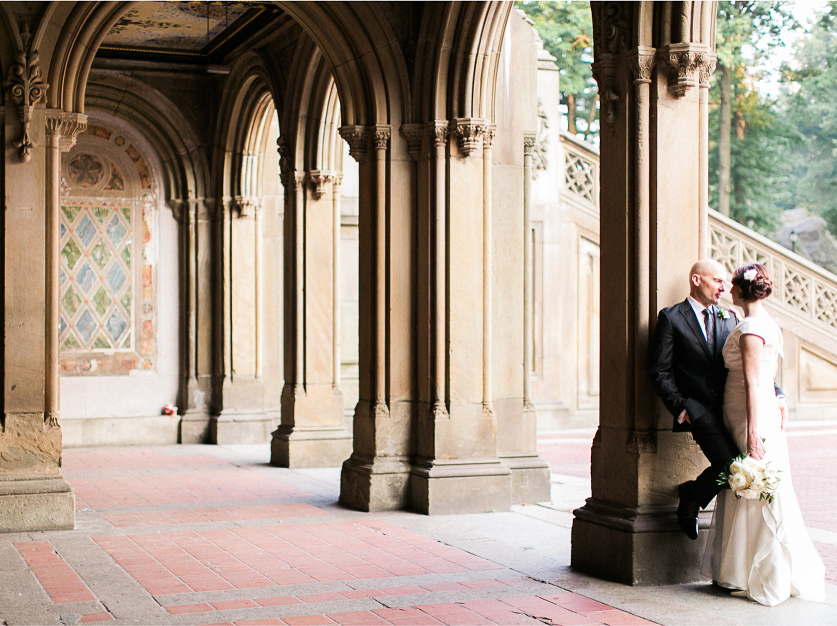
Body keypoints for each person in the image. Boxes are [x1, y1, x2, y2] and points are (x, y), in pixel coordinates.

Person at [702, 264, 824, 606]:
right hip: (750, 410)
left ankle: (756, 571)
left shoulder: (752, 328)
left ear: (741, 291)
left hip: (749, 415)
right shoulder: (766, 323)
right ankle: (739, 568)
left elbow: (756, 382)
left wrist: (754, 430)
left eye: (732, 285)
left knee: (753, 479)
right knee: (750, 481)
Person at [648, 259, 786, 540]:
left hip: (733, 408)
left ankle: (694, 495)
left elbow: (752, 364)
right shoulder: (672, 318)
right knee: (732, 466)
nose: (724, 287)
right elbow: (658, 371)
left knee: (745, 468)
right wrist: (681, 407)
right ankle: (692, 495)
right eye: (717, 281)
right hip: (699, 410)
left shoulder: (731, 317)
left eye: (726, 282)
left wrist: (777, 392)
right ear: (697, 280)